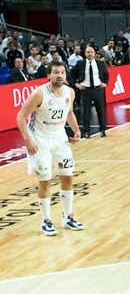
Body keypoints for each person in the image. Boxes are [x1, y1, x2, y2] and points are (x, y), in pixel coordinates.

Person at [16, 61, 85, 237]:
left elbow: (69, 113)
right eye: (55, 72)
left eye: (62, 72)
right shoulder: (39, 94)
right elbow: (21, 116)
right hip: (40, 141)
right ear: (48, 75)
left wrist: (76, 130)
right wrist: (27, 140)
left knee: (68, 176)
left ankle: (68, 217)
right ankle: (46, 221)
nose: (60, 75)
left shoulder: (70, 92)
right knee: (45, 180)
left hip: (60, 139)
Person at [70, 45, 108, 137]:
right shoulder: (80, 63)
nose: (89, 54)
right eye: (88, 52)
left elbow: (106, 74)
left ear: (94, 53)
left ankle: (102, 130)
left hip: (97, 89)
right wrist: (76, 84)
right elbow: (71, 74)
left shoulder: (100, 63)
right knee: (85, 112)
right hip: (85, 90)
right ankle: (86, 132)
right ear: (85, 53)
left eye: (91, 52)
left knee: (101, 110)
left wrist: (105, 83)